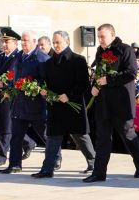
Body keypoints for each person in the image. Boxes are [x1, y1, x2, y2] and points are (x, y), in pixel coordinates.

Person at [83, 23, 139, 183]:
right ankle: (99, 173)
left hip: (121, 103)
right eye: (98, 37)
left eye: (102, 36)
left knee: (127, 134)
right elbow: (99, 73)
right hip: (104, 103)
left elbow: (131, 73)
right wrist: (95, 87)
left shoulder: (125, 49)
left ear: (112, 35)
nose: (100, 40)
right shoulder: (100, 51)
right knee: (102, 139)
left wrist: (108, 80)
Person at [31, 31, 96, 178]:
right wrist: (44, 90)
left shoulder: (77, 60)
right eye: (53, 42)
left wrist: (69, 95)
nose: (55, 45)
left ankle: (94, 163)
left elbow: (84, 84)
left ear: (67, 41)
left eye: (57, 42)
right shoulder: (49, 62)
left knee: (81, 136)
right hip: (56, 106)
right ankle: (47, 169)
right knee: (53, 137)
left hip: (73, 106)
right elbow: (46, 81)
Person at [0, 30, 55, 174]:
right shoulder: (18, 56)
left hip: (36, 105)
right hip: (19, 103)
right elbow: (14, 76)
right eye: (22, 41)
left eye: (26, 40)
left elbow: (46, 81)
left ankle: (55, 158)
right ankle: (14, 165)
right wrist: (10, 89)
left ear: (34, 41)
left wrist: (32, 85)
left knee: (45, 134)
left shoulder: (41, 58)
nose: (23, 43)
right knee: (16, 136)